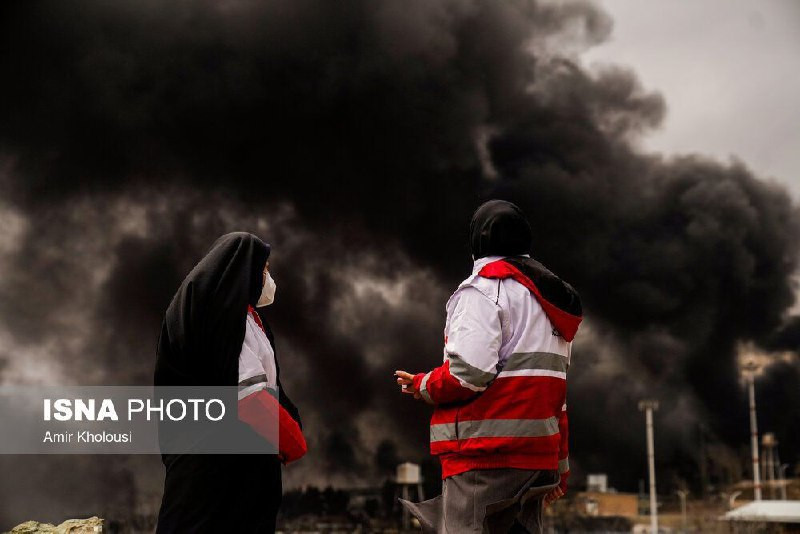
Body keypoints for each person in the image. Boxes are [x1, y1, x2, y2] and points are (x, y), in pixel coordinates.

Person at [396, 200, 582, 533]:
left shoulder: (484, 291)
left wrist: (424, 386)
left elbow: (469, 374)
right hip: (536, 461)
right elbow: (557, 397)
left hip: (486, 456)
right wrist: (560, 464)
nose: (267, 276)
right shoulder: (549, 303)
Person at [155, 232, 306, 533]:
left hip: (227, 463)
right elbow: (248, 395)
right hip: (218, 468)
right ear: (243, 270)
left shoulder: (237, 315)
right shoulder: (223, 318)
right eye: (264, 270)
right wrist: (291, 440)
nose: (268, 278)